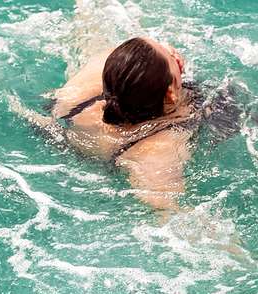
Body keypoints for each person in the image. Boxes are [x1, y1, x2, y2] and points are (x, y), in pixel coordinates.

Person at [37, 36, 237, 211]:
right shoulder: (156, 150)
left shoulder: (78, 97)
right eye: (169, 56)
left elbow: (132, 57)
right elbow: (170, 212)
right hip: (142, 141)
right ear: (170, 93)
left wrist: (163, 59)